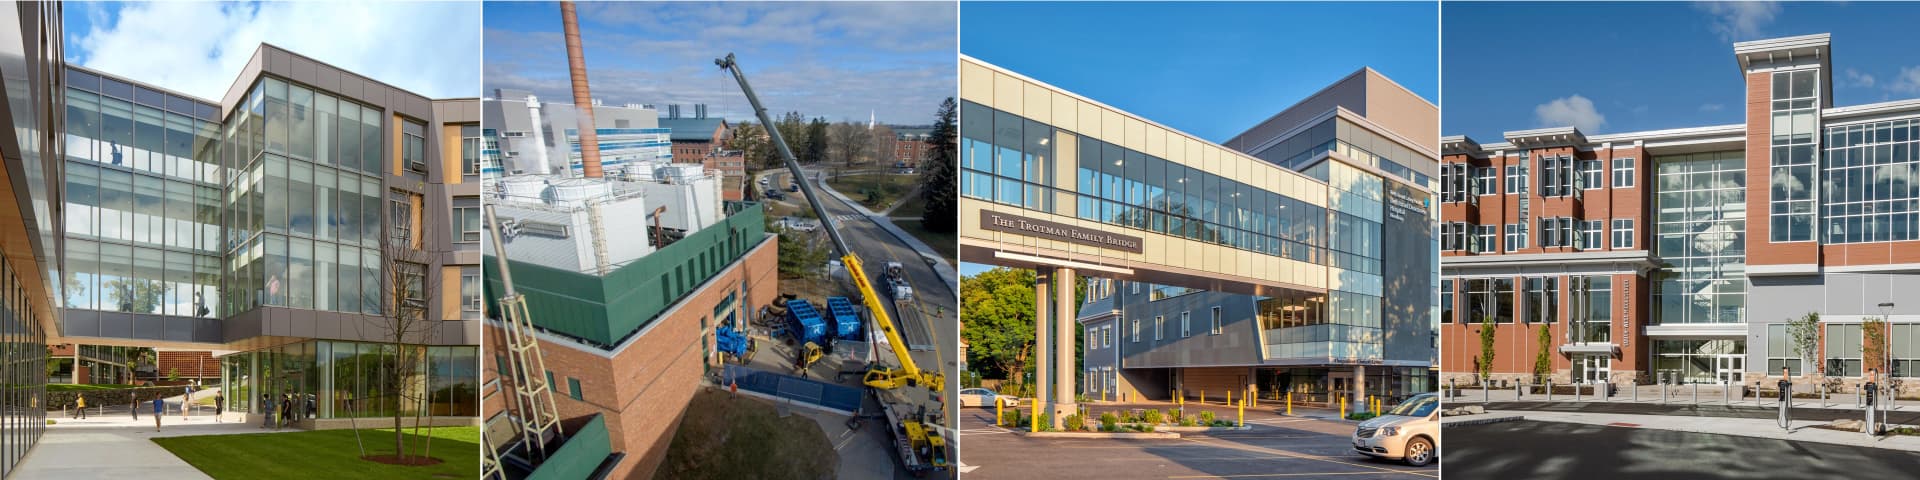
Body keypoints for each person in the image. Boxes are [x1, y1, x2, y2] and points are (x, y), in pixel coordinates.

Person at [1865, 369, 1881, 436]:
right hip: (1869, 403)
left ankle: (1871, 432)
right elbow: (1868, 391)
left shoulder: (1873, 385)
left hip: (1871, 402)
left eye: (1873, 375)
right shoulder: (1869, 384)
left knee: (1871, 416)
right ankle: (1869, 432)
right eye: (1870, 375)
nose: (1871, 376)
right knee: (1868, 416)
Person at [1777, 367, 1793, 431]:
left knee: (1785, 410)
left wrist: (1788, 383)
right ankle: (1785, 425)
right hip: (1782, 396)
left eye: (1786, 371)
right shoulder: (1783, 381)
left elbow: (1787, 382)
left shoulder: (1787, 380)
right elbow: (1781, 384)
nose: (1785, 372)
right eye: (1784, 371)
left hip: (1784, 395)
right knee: (1782, 410)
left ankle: (1786, 425)